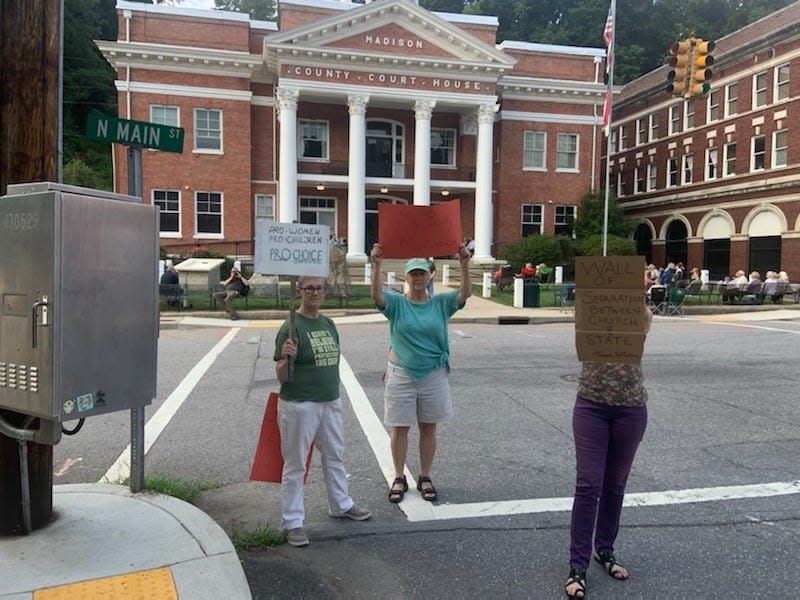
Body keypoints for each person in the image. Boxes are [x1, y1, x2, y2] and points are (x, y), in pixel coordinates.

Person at [369, 243, 471, 504]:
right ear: (406, 277)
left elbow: (464, 294)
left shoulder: (440, 303)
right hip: (401, 373)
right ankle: (399, 476)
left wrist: (464, 264)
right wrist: (376, 265)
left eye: (421, 273)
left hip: (433, 373)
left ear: (429, 276)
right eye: (413, 273)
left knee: (428, 426)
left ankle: (425, 476)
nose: (417, 278)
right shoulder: (396, 303)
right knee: (399, 427)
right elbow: (378, 295)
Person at [274, 276, 371, 547]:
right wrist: (286, 356)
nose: (315, 293)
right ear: (299, 292)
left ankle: (341, 503)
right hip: (300, 404)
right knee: (295, 464)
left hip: (330, 401)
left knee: (334, 455)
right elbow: (282, 375)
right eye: (309, 288)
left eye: (319, 288)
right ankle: (293, 522)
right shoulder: (290, 328)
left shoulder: (328, 323)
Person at [565, 306, 653, 599]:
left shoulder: (637, 318)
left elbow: (645, 323)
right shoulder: (590, 318)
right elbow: (580, 325)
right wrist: (590, 299)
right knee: (588, 485)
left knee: (615, 485)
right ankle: (577, 566)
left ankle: (604, 550)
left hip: (631, 408)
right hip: (592, 405)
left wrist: (632, 301)